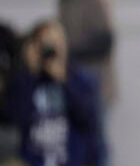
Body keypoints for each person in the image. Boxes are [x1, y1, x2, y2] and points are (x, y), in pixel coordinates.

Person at [6, 19, 105, 166]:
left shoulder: (82, 79)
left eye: (58, 41)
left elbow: (89, 120)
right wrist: (31, 72)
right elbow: (17, 118)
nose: (54, 49)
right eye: (47, 43)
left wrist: (64, 81)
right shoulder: (25, 81)